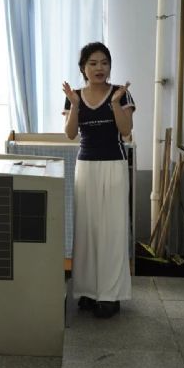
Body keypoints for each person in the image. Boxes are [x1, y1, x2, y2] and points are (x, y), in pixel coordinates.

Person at [63, 41, 135, 318]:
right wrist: (74, 106)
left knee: (112, 229)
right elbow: (71, 134)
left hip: (114, 165)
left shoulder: (121, 94)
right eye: (92, 63)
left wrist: (115, 104)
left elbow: (126, 131)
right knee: (87, 228)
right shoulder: (74, 96)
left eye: (104, 62)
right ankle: (87, 290)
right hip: (86, 167)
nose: (99, 68)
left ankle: (110, 295)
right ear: (83, 68)